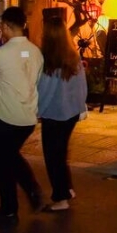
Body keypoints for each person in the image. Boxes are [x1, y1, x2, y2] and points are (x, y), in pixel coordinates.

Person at [0, 6, 45, 229]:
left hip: (4, 117)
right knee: (7, 157)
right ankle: (26, 195)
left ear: (4, 26)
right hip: (26, 117)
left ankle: (11, 209)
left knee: (4, 162)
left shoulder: (1, 54)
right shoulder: (33, 51)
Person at [36, 14, 87, 212]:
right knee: (61, 152)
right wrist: (81, 108)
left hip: (54, 113)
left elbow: (45, 91)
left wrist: (37, 110)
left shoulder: (48, 59)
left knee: (53, 156)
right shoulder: (73, 55)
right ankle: (67, 189)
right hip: (71, 113)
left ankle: (61, 198)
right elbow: (81, 86)